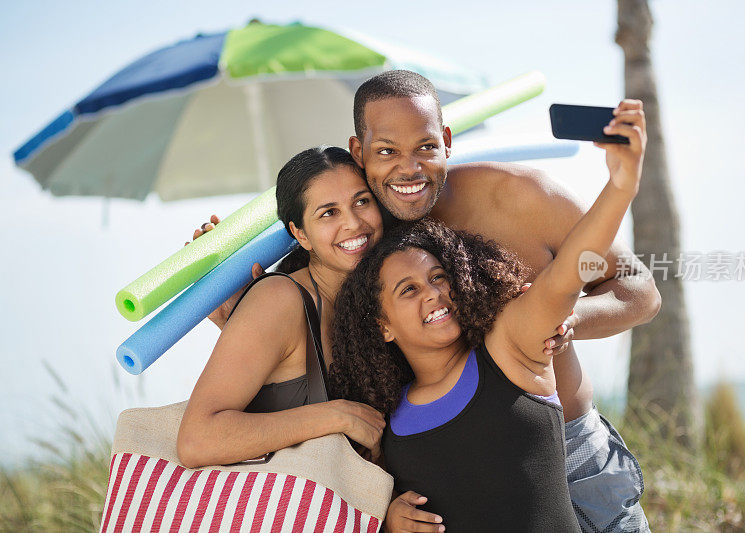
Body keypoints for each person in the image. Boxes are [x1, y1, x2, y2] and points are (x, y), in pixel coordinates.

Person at [191, 70, 657, 531]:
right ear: (360, 152)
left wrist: (566, 317)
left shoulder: (514, 197)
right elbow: (320, 367)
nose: (408, 169)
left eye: (426, 148)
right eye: (386, 151)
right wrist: (238, 308)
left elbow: (639, 288)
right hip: (445, 475)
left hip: (568, 448)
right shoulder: (360, 240)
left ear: (447, 141)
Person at [329, 122, 647, 528]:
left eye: (440, 277)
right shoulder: (388, 420)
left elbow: (569, 273)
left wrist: (620, 186)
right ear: (382, 326)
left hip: (586, 462)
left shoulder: (511, 348)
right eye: (408, 291)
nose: (432, 293)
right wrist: (389, 518)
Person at [177, 146, 387, 468]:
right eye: (329, 212)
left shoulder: (376, 294)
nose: (353, 223)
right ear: (300, 234)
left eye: (361, 201)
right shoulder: (281, 300)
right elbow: (196, 440)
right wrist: (336, 416)